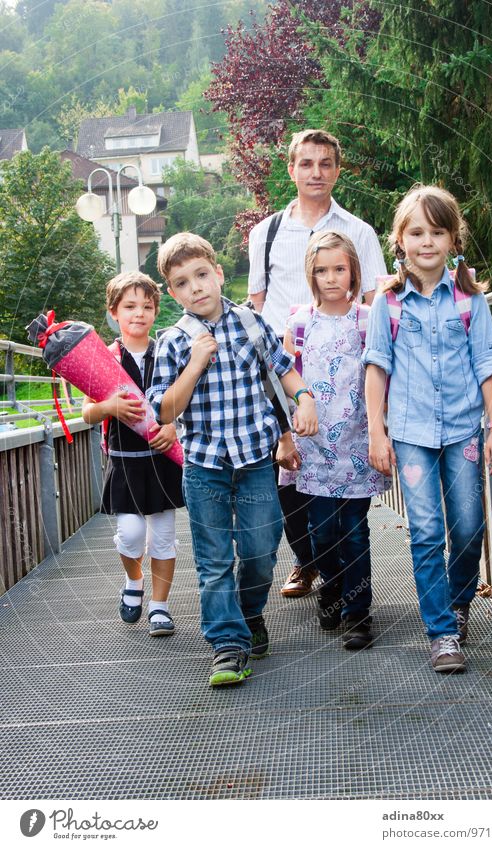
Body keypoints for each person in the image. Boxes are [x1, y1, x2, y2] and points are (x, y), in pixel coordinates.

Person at [147, 232, 318, 687]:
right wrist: (195, 364)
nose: (196, 287)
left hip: (255, 462)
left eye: (202, 275)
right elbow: (163, 411)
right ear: (173, 292)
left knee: (262, 551)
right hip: (204, 467)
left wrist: (303, 398)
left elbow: (282, 368)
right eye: (182, 283)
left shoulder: (250, 322)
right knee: (214, 559)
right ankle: (228, 644)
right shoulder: (174, 341)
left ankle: (248, 612)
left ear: (218, 273)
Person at [363, 184, 492, 673]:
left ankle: (459, 598)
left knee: (468, 529)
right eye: (417, 232)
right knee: (426, 530)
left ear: (452, 239)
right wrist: (377, 433)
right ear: (400, 239)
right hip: (410, 433)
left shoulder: (469, 301)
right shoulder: (390, 302)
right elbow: (376, 367)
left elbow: (488, 364)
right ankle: (442, 631)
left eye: (438, 232)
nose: (427, 242)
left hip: (465, 429)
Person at [248, 128, 387, 599]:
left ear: (337, 171)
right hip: (279, 373)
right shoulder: (264, 233)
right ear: (291, 169)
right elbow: (256, 304)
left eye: (326, 163)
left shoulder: (360, 233)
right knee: (286, 475)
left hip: (343, 376)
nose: (316, 172)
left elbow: (376, 306)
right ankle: (308, 561)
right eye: (306, 163)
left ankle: (335, 579)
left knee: (338, 495)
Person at [277, 231, 389, 648]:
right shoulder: (300, 323)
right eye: (322, 270)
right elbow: (285, 382)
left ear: (353, 272)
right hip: (315, 450)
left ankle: (359, 614)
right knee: (321, 531)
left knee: (355, 531)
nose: (330, 278)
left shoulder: (366, 319)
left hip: (358, 446)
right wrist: (287, 437)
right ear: (311, 275)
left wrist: (382, 434)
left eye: (339, 269)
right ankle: (333, 586)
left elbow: (380, 375)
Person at [82, 271, 183, 637]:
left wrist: (173, 426)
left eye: (147, 306)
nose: (138, 313)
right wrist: (108, 405)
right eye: (129, 306)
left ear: (156, 311)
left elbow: (183, 402)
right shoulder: (105, 357)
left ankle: (160, 606)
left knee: (162, 538)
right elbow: (87, 412)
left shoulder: (168, 352)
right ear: (113, 312)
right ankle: (134, 579)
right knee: (130, 534)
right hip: (124, 463)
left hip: (162, 460)